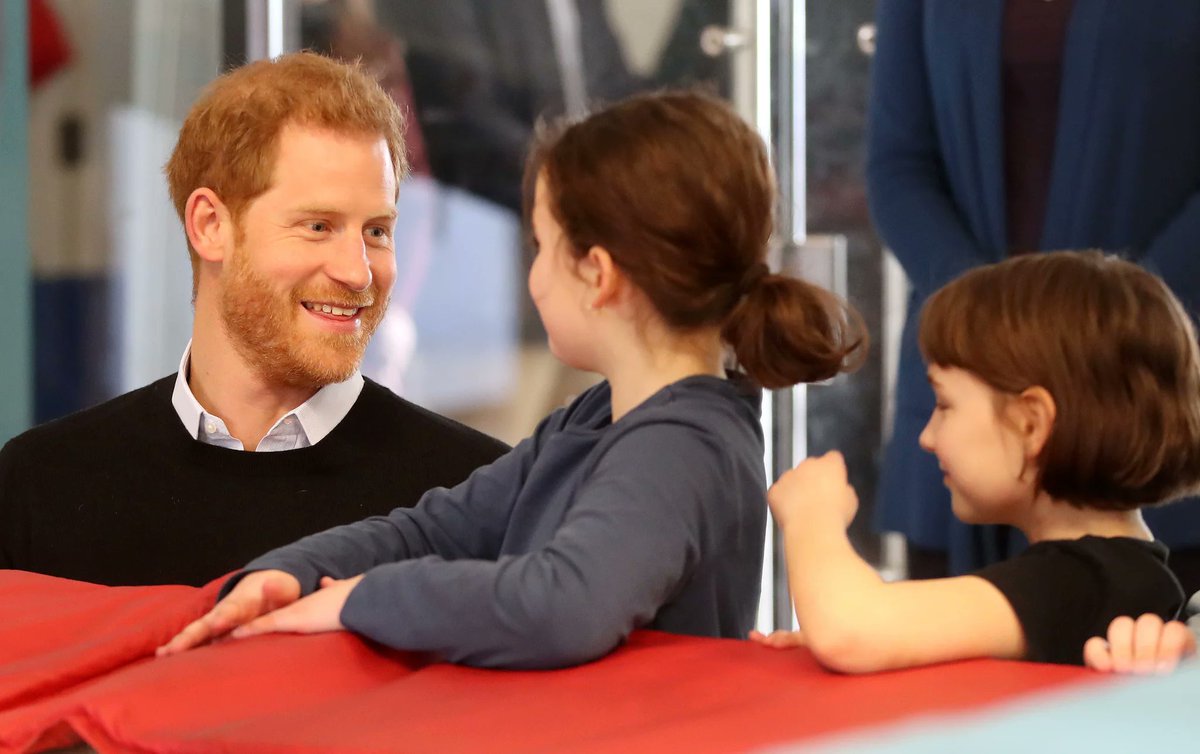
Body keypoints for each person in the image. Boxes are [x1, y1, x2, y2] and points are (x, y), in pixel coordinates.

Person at [156, 91, 867, 669]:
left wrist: (355, 599)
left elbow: (564, 605)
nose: (532, 274)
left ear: (598, 275)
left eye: (542, 246)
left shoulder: (682, 447)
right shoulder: (601, 420)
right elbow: (439, 528)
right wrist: (290, 575)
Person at [0, 52, 508, 588]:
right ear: (210, 225)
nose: (358, 273)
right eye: (318, 226)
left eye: (377, 231)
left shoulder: (480, 499)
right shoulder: (40, 486)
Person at [869, 0, 1200, 584]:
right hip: (967, 394)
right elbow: (898, 166)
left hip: (1146, 378)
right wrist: (988, 327)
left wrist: (1105, 322)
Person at [753, 252, 1200, 671]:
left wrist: (812, 517)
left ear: (1031, 425)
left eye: (944, 404)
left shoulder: (1084, 581)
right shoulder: (1116, 574)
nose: (926, 438)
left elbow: (850, 629)